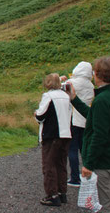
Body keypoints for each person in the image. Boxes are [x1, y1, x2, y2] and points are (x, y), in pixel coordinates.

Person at [67, 56, 110, 213]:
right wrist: (75, 99)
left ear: (97, 74)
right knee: (106, 197)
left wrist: (89, 164)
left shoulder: (102, 100)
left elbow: (99, 135)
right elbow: (93, 116)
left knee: (102, 204)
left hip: (102, 162)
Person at [34, 73, 72, 207]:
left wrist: (35, 114)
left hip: (52, 134)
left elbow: (40, 115)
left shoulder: (48, 96)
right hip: (66, 133)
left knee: (49, 165)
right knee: (61, 164)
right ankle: (62, 193)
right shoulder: (66, 96)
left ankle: (52, 195)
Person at [64, 61, 95, 187]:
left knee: (72, 149)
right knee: (84, 149)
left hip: (74, 119)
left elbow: (60, 87)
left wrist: (62, 79)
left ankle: (75, 177)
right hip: (85, 120)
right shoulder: (90, 85)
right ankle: (87, 174)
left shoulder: (76, 83)